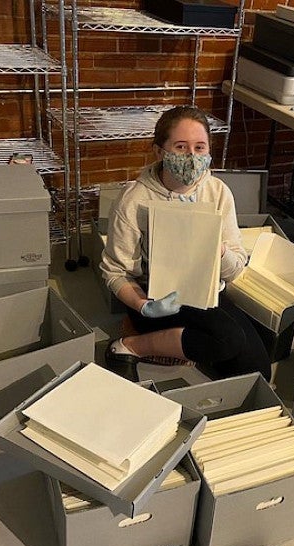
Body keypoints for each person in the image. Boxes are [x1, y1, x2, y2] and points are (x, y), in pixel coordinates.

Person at [100, 105, 271, 382]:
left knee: (258, 372)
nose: (192, 156)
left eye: (200, 147)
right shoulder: (134, 199)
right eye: (181, 147)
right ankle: (128, 347)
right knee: (227, 340)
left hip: (205, 294)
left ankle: (175, 342)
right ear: (160, 152)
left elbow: (235, 269)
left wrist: (219, 249)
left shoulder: (217, 192)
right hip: (155, 297)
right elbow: (115, 272)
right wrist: (143, 305)